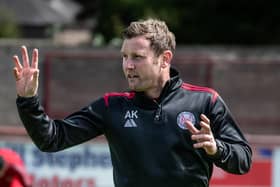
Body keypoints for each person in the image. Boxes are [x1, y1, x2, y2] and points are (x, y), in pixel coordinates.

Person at [12, 18, 252, 187]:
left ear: (164, 59)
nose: (128, 65)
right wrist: (27, 100)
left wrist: (215, 148)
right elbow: (51, 139)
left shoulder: (205, 101)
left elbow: (243, 160)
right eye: (124, 57)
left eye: (137, 57)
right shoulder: (111, 106)